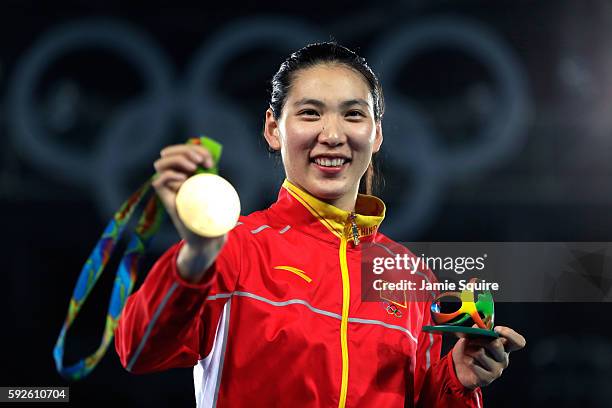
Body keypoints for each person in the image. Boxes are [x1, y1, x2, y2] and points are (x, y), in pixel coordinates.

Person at [115, 42, 526, 407]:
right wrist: (197, 254)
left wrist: (456, 380)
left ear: (376, 134)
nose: (332, 134)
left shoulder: (409, 274)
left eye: (353, 115)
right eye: (310, 113)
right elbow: (137, 350)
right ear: (273, 129)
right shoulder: (235, 248)